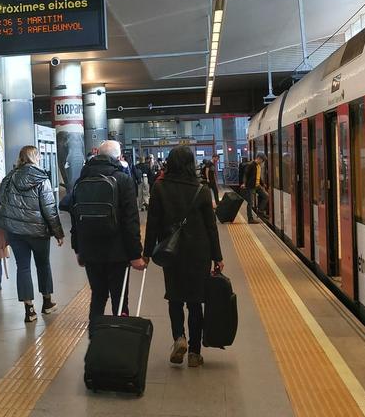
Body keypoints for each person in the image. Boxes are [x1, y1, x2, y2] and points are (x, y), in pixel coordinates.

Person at [144, 146, 224, 367]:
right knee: (195, 302)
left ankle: (179, 337)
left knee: (175, 298)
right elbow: (211, 227)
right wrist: (217, 256)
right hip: (199, 252)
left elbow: (152, 224)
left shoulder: (159, 188)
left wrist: (147, 253)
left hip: (171, 252)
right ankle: (195, 353)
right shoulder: (202, 189)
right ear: (191, 164)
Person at [72, 141, 145, 328]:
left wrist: (78, 249)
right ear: (118, 157)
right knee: (119, 299)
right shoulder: (123, 180)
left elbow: (75, 218)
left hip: (90, 251)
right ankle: (119, 336)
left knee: (98, 296)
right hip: (117, 252)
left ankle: (95, 336)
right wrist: (135, 254)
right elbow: (131, 221)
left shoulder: (81, 181)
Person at [0, 145, 65, 323]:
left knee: (23, 267)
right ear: (35, 157)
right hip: (38, 232)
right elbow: (49, 209)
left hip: (15, 231)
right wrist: (58, 233)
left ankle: (29, 310)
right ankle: (47, 302)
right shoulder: (41, 178)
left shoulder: (9, 177)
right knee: (43, 265)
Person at [239, 152, 267, 223]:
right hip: (250, 186)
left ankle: (260, 211)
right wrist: (244, 183)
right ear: (259, 158)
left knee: (266, 196)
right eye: (262, 160)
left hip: (257, 185)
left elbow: (258, 176)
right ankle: (250, 219)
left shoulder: (258, 166)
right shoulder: (251, 165)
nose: (262, 162)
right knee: (250, 202)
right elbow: (245, 175)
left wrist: (262, 184)